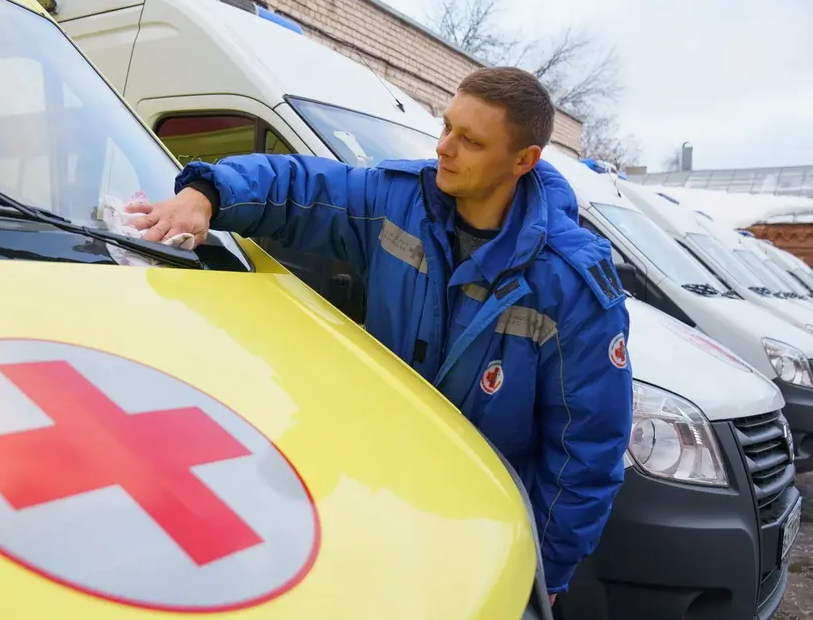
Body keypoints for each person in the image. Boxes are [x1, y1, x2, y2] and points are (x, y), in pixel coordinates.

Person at [127, 66, 633, 603]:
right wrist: (208, 194)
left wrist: (544, 576)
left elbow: (586, 450)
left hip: (478, 530)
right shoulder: (402, 202)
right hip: (381, 494)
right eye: (446, 128)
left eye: (470, 141)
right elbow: (301, 187)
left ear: (523, 161)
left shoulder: (571, 285)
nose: (445, 148)